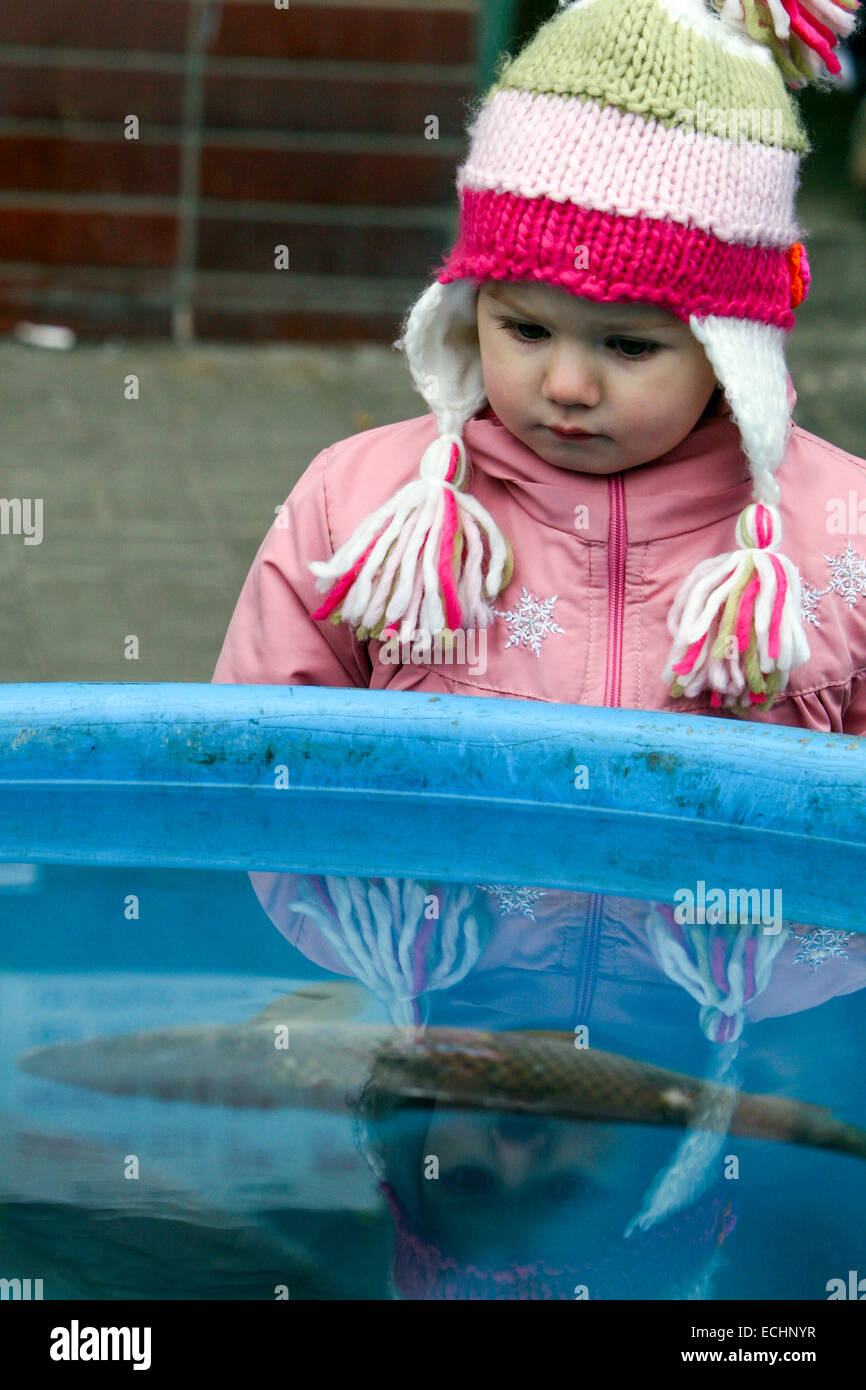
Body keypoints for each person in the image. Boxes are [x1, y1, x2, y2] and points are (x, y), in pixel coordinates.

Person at [213, 0, 865, 733]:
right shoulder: (355, 509)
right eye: (525, 329)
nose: (566, 387)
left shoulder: (846, 539)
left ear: (732, 352)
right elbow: (264, 768)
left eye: (629, 345)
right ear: (468, 306)